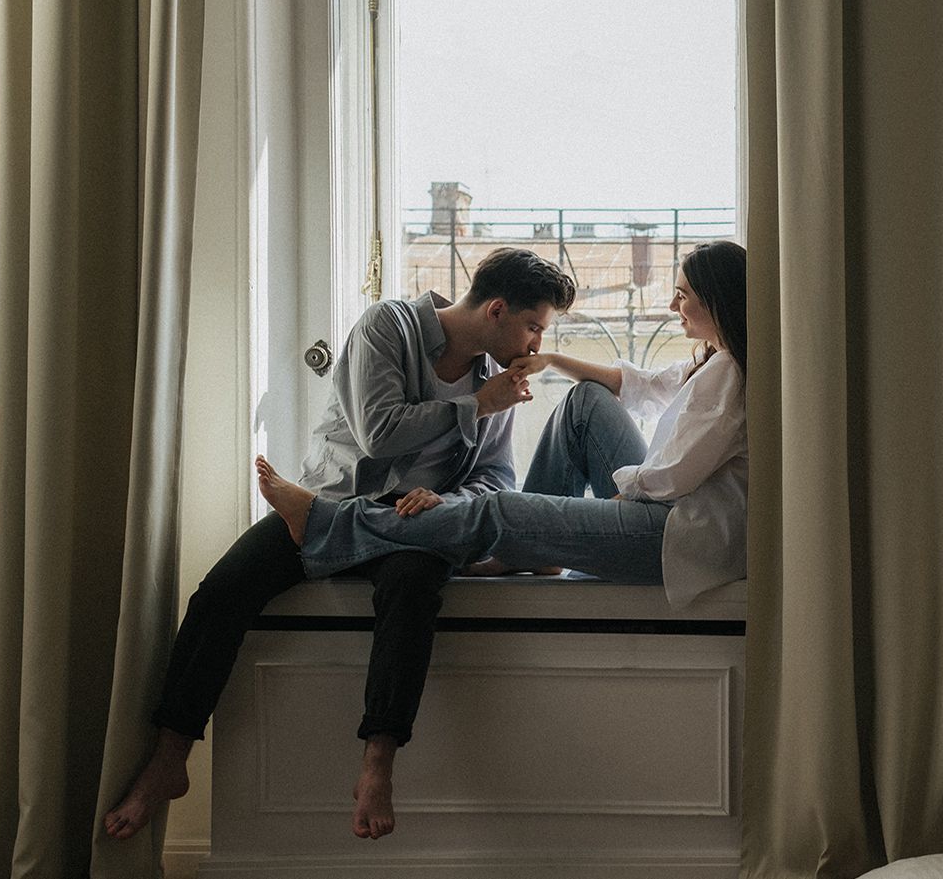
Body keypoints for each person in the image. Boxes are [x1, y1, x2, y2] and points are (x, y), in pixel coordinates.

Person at [104, 247, 575, 842]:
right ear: (497, 310)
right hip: (332, 501)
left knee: (413, 589)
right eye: (534, 327)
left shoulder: (500, 383)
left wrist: (446, 501)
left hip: (413, 527)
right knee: (223, 590)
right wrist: (476, 406)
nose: (536, 346)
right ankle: (169, 757)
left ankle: (378, 763)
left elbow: (496, 479)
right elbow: (379, 432)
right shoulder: (389, 325)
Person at [255, 239, 746, 617]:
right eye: (535, 329)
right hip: (661, 519)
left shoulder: (729, 373)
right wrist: (551, 361)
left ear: (715, 301)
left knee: (501, 512)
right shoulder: (709, 362)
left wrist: (616, 497)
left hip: (672, 535)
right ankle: (529, 548)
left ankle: (327, 522)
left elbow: (671, 479)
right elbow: (634, 385)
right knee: (586, 400)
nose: (671, 307)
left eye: (682, 296)